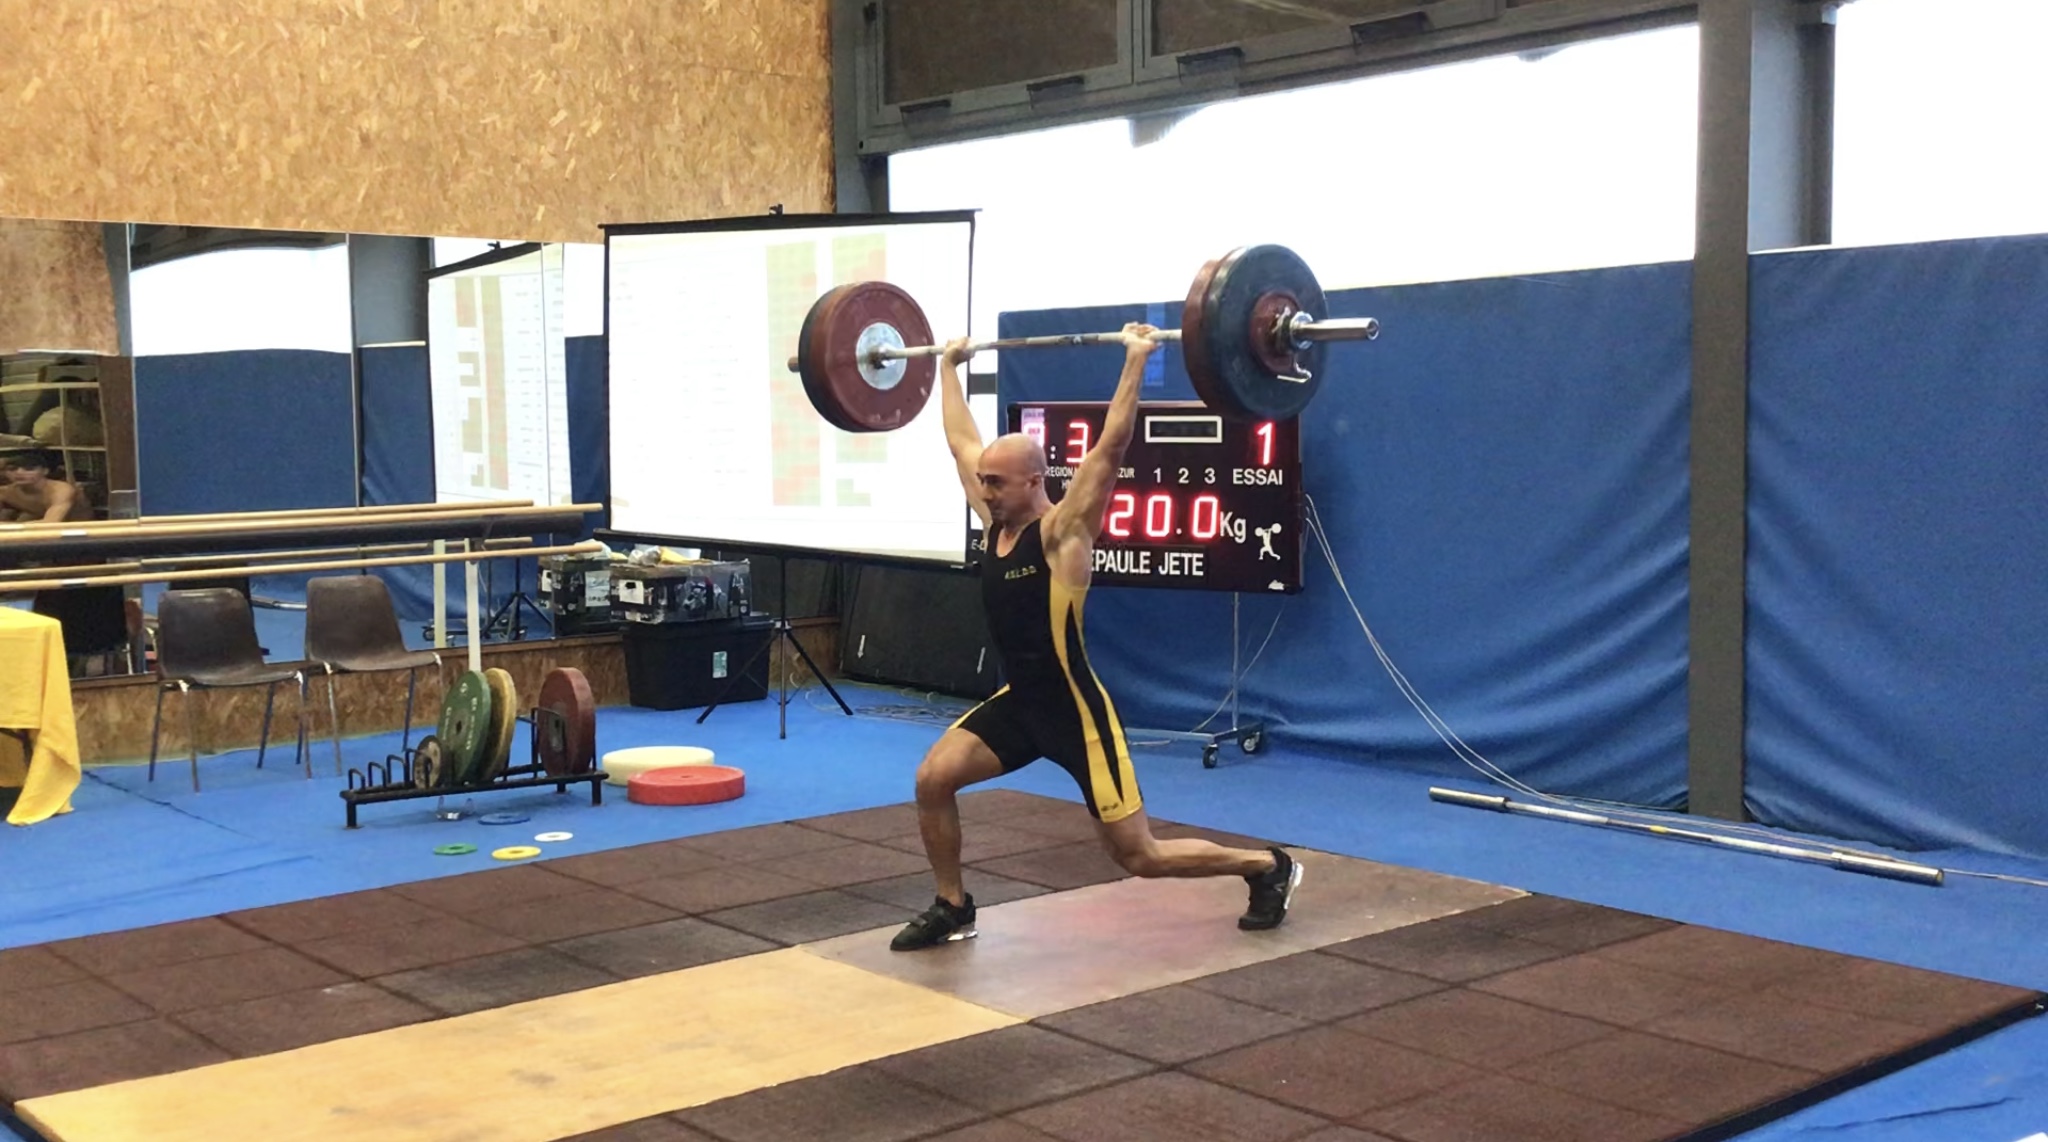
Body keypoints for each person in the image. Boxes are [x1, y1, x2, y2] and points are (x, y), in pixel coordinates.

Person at [889, 325, 1302, 952]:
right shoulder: (994, 521)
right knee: (933, 778)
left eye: (995, 482)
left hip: (1076, 714)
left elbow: (1108, 451)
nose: (983, 489)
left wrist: (1136, 359)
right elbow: (959, 442)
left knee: (1139, 855)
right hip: (1021, 704)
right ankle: (952, 906)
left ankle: (1266, 867)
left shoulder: (1063, 535)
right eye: (984, 481)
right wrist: (949, 366)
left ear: (1034, 482)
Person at [0, 451, 92, 523]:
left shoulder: (61, 490)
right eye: (12, 469)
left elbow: (51, 522)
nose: (19, 473)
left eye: (29, 469)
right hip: (37, 520)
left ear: (45, 471)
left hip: (78, 527)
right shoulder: (5, 493)